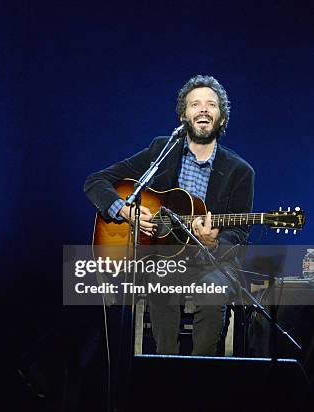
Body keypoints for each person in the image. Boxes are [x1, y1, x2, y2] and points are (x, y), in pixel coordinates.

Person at [84, 75, 254, 355]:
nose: (202, 109)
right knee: (159, 284)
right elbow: (95, 181)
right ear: (183, 115)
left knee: (211, 295)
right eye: (195, 104)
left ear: (221, 118)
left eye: (211, 105)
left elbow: (239, 235)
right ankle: (166, 375)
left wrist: (214, 243)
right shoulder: (161, 151)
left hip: (210, 264)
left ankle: (201, 380)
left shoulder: (240, 171)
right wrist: (126, 211)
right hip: (161, 259)